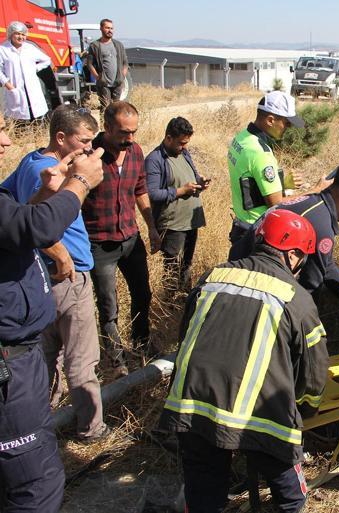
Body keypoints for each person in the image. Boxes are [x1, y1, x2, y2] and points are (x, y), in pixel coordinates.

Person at [157, 209, 329, 513]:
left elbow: (186, 336)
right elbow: (314, 374)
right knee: (291, 499)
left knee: (204, 496)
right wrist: (302, 408)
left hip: (191, 407)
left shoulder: (212, 277)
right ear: (293, 256)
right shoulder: (297, 298)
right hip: (262, 419)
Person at [0, 114, 106, 513]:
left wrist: (46, 195)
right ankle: (90, 429)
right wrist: (79, 183)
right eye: (0, 132)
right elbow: (39, 230)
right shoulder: (35, 165)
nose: (8, 142)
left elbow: (17, 225)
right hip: (8, 363)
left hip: (18, 358)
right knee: (36, 485)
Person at [230, 160, 339, 310]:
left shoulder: (313, 203)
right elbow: (309, 286)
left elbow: (325, 264)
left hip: (238, 269)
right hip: (248, 289)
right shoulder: (321, 226)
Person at [83, 100, 160, 376]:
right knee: (108, 305)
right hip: (100, 244)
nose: (129, 138)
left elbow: (140, 189)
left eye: (133, 132)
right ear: (106, 127)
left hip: (130, 237)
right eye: (123, 133)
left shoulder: (136, 152)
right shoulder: (88, 156)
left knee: (143, 293)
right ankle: (116, 361)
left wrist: (150, 226)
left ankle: (141, 344)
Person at [227, 90, 305, 246]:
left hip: (241, 224)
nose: (288, 128)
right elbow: (276, 204)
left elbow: (249, 182)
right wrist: (313, 192)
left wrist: (281, 183)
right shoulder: (260, 153)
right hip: (256, 230)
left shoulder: (241, 138)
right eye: (286, 123)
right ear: (270, 120)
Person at [145, 117, 209, 293]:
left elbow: (192, 176)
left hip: (190, 222)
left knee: (186, 265)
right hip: (173, 226)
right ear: (168, 138)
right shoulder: (155, 159)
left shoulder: (184, 154)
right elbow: (151, 193)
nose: (184, 147)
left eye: (186, 143)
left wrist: (200, 182)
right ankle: (170, 303)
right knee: (172, 269)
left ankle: (184, 300)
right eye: (181, 143)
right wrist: (180, 191)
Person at [0, 21, 52, 122]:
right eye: (17, 33)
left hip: (32, 89)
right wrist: (7, 84)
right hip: (15, 89)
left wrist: (36, 68)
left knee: (37, 116)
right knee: (18, 120)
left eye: (23, 34)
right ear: (11, 34)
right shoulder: (3, 49)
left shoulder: (30, 48)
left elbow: (47, 60)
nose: (21, 37)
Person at [86, 18, 128, 108]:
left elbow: (125, 63)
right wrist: (97, 77)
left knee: (116, 107)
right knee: (105, 107)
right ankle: (104, 122)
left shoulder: (118, 45)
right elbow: (89, 64)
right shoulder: (95, 46)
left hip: (117, 82)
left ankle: (114, 122)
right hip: (104, 83)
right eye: (107, 28)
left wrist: (122, 76)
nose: (110, 30)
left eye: (111, 28)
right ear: (101, 28)